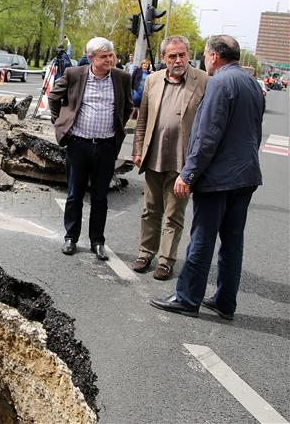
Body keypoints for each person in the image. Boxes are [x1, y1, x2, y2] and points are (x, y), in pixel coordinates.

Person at [150, 35, 263, 318]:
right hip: (246, 175)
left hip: (218, 179)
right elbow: (254, 132)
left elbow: (206, 135)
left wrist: (187, 173)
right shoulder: (251, 83)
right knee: (233, 241)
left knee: (202, 238)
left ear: (213, 56)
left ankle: (187, 298)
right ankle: (226, 301)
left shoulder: (220, 83)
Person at [48, 37, 133, 260]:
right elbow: (54, 97)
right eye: (104, 56)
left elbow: (128, 108)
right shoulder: (75, 74)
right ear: (92, 57)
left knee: (100, 197)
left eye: (111, 55)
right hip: (79, 145)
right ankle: (71, 238)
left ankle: (97, 241)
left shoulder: (122, 77)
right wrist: (60, 122)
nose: (110, 59)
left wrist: (117, 128)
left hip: (106, 147)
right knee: (75, 194)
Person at [131, 36, 209, 280]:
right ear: (163, 58)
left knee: (174, 213)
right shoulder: (153, 80)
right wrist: (137, 149)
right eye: (172, 56)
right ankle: (146, 252)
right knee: (150, 210)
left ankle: (166, 260)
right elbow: (142, 118)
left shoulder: (203, 81)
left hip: (182, 160)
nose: (178, 60)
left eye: (182, 55)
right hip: (153, 155)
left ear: (188, 55)